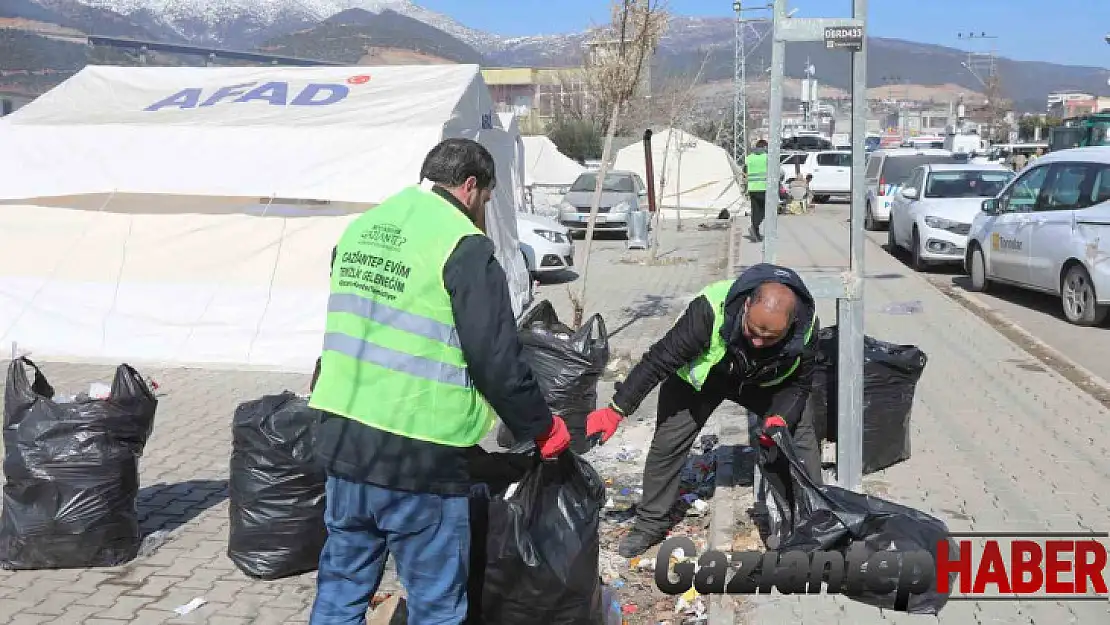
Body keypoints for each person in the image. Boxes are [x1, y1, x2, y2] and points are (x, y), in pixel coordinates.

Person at [308, 138, 571, 624]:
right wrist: (541, 427)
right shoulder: (462, 245)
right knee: (436, 605)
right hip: (418, 456)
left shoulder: (365, 227)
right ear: (471, 188)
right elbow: (496, 358)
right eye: (487, 200)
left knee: (342, 591)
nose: (483, 211)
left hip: (343, 441)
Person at [584, 263, 823, 558]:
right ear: (746, 305)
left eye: (770, 337)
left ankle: (812, 522)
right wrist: (617, 409)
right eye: (753, 331)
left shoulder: (807, 327)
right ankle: (650, 523)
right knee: (668, 444)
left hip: (766, 385)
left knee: (801, 437)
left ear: (791, 323)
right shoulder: (711, 308)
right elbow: (660, 359)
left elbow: (801, 385)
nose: (759, 341)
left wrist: (780, 418)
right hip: (704, 379)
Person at [744, 139, 769, 242]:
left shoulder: (749, 158)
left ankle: (756, 232)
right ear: (764, 147)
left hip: (752, 188)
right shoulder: (767, 157)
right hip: (763, 187)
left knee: (755, 210)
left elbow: (744, 171)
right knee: (765, 210)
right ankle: (755, 226)